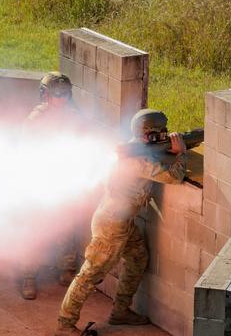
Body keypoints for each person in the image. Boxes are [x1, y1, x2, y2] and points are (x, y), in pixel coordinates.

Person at [55, 108, 188, 335]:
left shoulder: (132, 148)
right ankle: (65, 324)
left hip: (122, 221)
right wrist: (181, 153)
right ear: (148, 134)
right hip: (112, 225)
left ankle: (120, 311)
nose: (165, 134)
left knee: (138, 258)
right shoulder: (136, 159)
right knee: (90, 274)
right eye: (161, 131)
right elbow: (174, 177)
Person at [19, 71, 85, 300]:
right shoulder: (35, 120)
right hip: (38, 185)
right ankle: (28, 276)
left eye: (65, 95)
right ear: (45, 95)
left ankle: (66, 270)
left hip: (65, 183)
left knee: (66, 226)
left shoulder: (75, 117)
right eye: (57, 94)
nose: (61, 99)